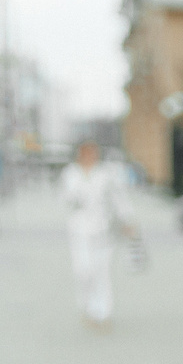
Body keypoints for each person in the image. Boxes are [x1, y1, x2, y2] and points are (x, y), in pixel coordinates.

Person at [57, 141, 132, 330]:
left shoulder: (106, 173)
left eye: (93, 153)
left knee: (102, 271)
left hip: (103, 229)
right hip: (79, 229)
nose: (90, 156)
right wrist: (78, 192)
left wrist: (126, 220)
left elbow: (119, 198)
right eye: (87, 153)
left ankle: (103, 313)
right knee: (83, 271)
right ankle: (87, 308)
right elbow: (65, 198)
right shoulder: (70, 173)